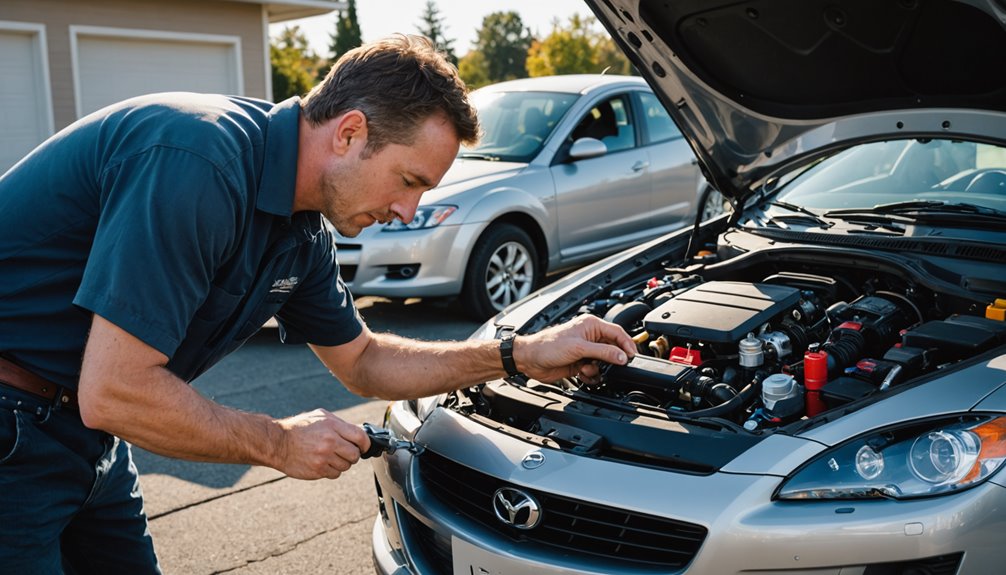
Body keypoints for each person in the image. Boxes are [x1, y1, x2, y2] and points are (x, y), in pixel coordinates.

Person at [0, 34, 636, 573]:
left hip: (88, 438)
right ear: (350, 133)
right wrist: (278, 442)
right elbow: (115, 389)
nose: (405, 212)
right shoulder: (200, 164)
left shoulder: (302, 230)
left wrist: (519, 353)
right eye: (410, 181)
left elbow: (364, 361)